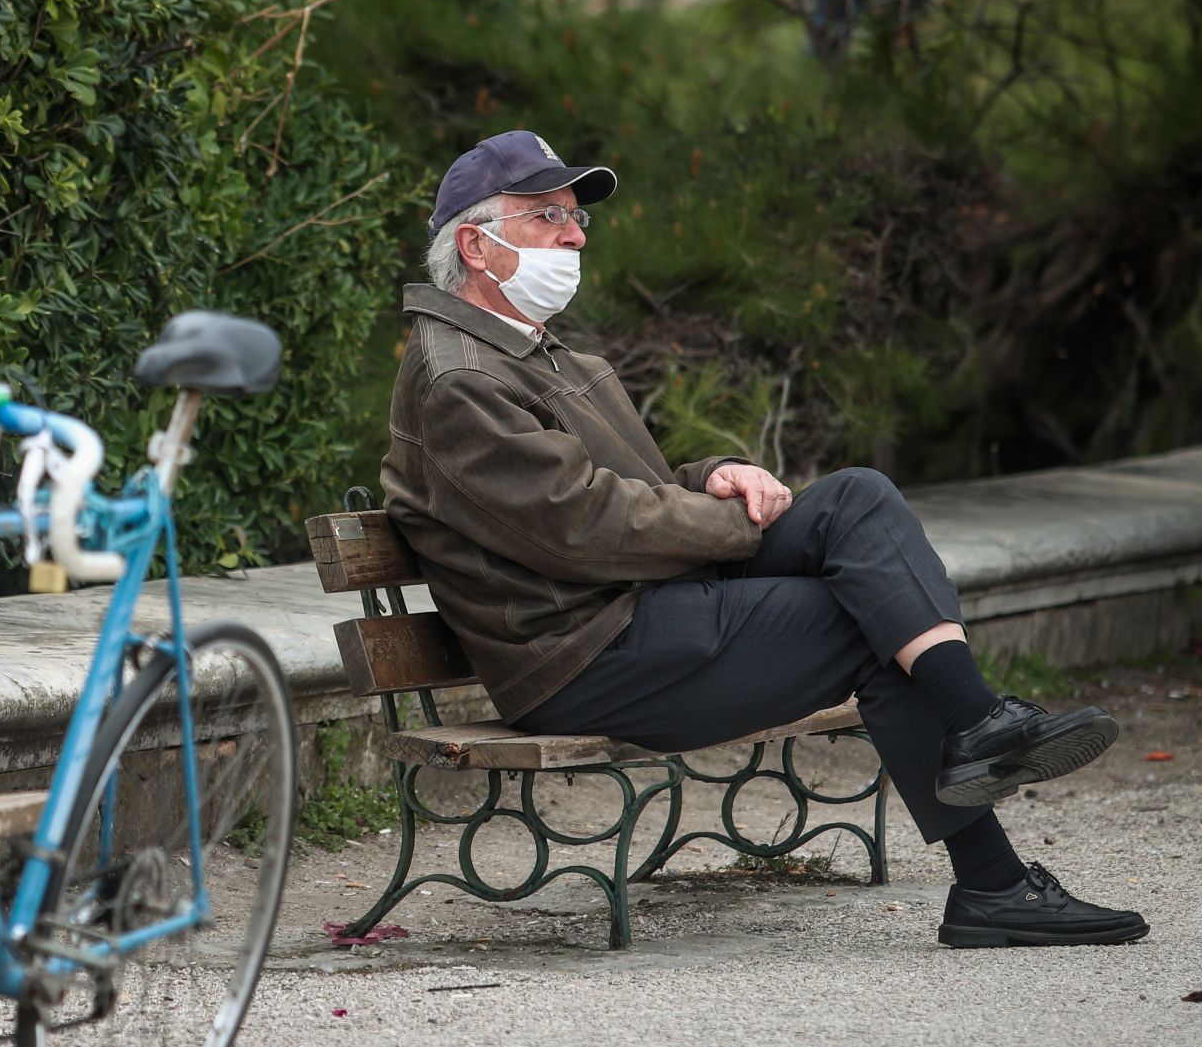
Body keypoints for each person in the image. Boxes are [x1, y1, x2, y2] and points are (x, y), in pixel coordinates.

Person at [381, 131, 1147, 948]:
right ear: (476, 243)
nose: (574, 236)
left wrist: (715, 472)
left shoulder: (536, 352)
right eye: (549, 217)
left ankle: (982, 726)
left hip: (636, 605)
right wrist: (734, 527)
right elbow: (582, 526)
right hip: (584, 653)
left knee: (858, 497)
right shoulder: (462, 379)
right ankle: (993, 877)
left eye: (576, 217)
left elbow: (624, 487)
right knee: (867, 619)